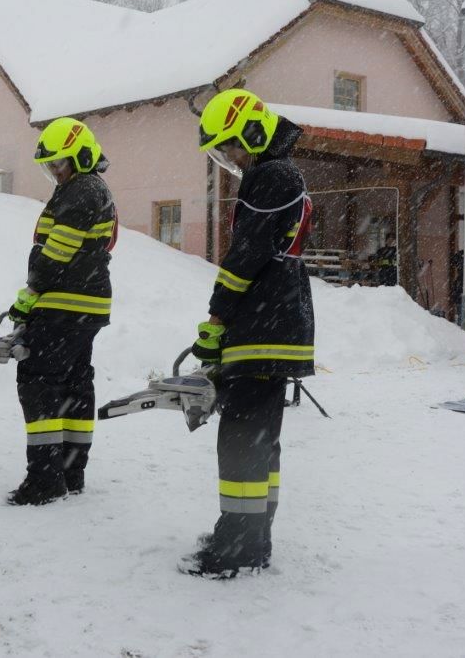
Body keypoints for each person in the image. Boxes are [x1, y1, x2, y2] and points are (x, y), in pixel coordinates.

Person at [182, 89, 315, 579]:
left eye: (231, 146)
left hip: (263, 321)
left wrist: (217, 318)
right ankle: (254, 537)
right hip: (276, 319)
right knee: (261, 439)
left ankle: (236, 546)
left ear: (253, 134)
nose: (231, 159)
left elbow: (246, 255)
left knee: (241, 437)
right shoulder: (283, 173)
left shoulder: (270, 176)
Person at [5, 117, 116, 505]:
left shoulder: (80, 189)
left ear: (81, 156)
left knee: (39, 382)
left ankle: (45, 480)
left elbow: (57, 250)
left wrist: (31, 291)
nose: (54, 170)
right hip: (86, 304)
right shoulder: (91, 188)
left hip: (63, 302)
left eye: (59, 162)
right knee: (74, 384)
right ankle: (70, 472)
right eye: (50, 164)